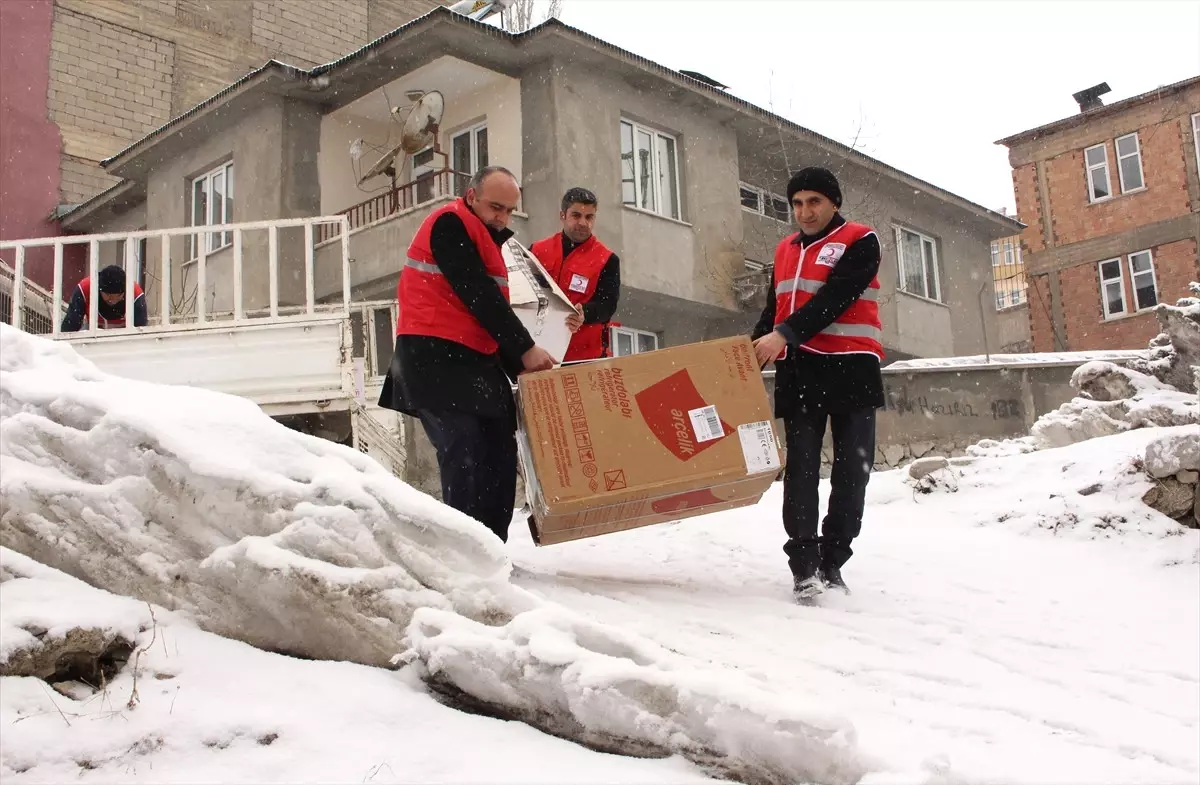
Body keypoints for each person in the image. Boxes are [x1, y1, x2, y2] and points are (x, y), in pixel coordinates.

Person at [378, 166, 557, 543]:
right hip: (434, 358)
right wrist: (524, 350)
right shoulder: (450, 223)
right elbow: (478, 294)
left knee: (498, 455)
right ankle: (463, 553)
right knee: (464, 454)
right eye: (496, 207)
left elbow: (484, 315)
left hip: (473, 361)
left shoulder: (487, 240)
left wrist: (521, 363)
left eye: (509, 211)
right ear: (471, 195)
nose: (502, 218)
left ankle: (491, 549)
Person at [750, 166, 884, 602]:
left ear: (834, 203)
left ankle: (834, 560)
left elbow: (836, 298)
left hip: (853, 367)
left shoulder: (861, 240)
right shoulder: (785, 248)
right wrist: (749, 349)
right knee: (801, 473)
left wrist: (782, 335)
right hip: (801, 369)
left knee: (852, 474)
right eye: (798, 203)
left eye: (815, 202)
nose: (805, 212)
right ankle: (804, 566)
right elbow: (774, 309)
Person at [529, 187, 621, 362]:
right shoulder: (537, 250)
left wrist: (584, 313)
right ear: (563, 215)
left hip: (584, 358)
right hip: (540, 354)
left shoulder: (607, 259)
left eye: (589, 217)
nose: (583, 223)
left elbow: (607, 305)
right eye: (576, 215)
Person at [60, 264, 147, 332]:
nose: (113, 300)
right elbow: (71, 324)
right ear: (99, 289)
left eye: (118, 296)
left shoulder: (135, 294)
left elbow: (140, 331)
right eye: (108, 295)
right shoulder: (85, 288)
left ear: (125, 293)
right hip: (92, 332)